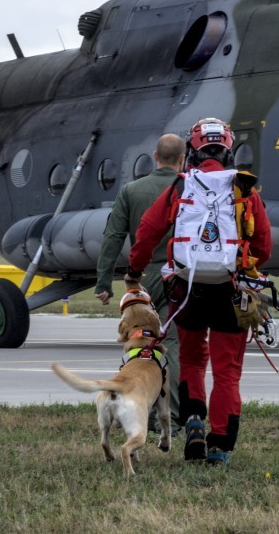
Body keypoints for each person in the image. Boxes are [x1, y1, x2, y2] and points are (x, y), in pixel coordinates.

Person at [125, 117, 272, 467]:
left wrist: (134, 271)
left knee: (192, 360)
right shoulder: (244, 189)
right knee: (227, 372)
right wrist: (242, 263)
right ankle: (219, 446)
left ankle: (193, 421)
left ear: (192, 152)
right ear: (228, 151)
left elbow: (147, 230)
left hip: (186, 290)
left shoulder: (181, 186)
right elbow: (264, 246)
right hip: (230, 292)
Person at [93, 132, 185, 433]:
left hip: (143, 278)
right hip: (180, 276)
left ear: (155, 157)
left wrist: (103, 282)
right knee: (172, 344)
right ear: (182, 159)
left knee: (137, 344)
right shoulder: (188, 188)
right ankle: (170, 417)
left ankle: (133, 407)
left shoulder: (131, 191)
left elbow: (112, 236)